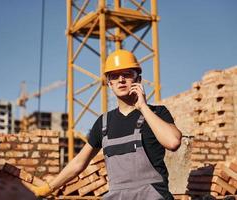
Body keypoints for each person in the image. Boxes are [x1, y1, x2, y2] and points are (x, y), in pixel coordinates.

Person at [26, 49, 182, 199]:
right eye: (114, 76)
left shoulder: (157, 113)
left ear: (138, 80)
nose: (121, 80)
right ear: (109, 83)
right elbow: (79, 163)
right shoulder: (103, 123)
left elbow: (173, 142)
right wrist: (47, 188)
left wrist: (142, 107)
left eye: (127, 74)